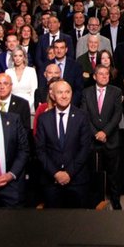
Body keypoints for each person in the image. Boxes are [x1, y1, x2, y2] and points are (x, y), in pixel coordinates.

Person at [34, 78, 94, 208]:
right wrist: (56, 173)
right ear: (52, 95)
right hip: (51, 181)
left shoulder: (82, 116)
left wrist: (68, 173)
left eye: (67, 92)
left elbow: (85, 148)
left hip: (77, 181)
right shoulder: (44, 119)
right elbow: (40, 150)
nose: (64, 96)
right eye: (60, 92)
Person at [82, 63, 124, 209]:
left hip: (111, 139)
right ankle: (96, 200)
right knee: (94, 173)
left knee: (113, 173)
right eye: (101, 74)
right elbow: (84, 116)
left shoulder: (116, 91)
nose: (104, 76)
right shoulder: (86, 92)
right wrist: (95, 133)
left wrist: (105, 132)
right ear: (94, 76)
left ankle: (115, 199)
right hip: (93, 141)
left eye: (107, 74)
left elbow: (117, 115)